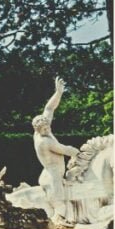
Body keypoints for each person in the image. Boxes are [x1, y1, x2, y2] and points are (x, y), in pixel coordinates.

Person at [32, 77, 79, 214]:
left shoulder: (44, 131)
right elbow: (66, 150)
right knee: (61, 206)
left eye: (47, 127)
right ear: (37, 130)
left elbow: (49, 108)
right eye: (44, 129)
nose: (47, 130)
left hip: (49, 173)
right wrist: (80, 154)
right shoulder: (45, 141)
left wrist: (58, 93)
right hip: (53, 177)